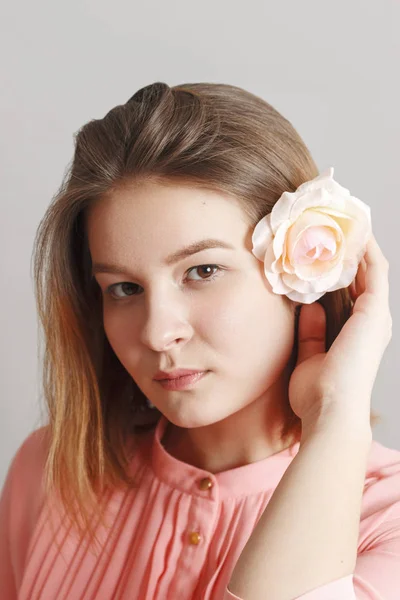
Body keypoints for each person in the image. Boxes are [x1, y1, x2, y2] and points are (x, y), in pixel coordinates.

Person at [0, 81, 399, 599]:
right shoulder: (54, 468)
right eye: (124, 288)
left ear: (304, 274)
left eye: (202, 270)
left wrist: (336, 420)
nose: (157, 332)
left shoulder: (385, 520)